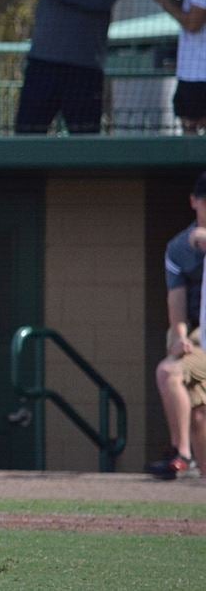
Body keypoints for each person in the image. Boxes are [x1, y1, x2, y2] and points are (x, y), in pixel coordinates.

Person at [0, 0, 126, 134]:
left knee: (85, 138)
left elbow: (100, 0)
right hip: (43, 64)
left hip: (84, 68)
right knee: (27, 134)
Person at [147, 172, 206, 480]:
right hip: (199, 332)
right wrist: (180, 336)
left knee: (169, 373)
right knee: (196, 411)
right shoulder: (181, 247)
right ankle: (187, 457)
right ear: (194, 201)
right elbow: (177, 302)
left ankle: (183, 453)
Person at [148, 0, 206, 135]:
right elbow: (189, 10)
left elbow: (192, 24)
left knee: (190, 134)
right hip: (193, 75)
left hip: (198, 75)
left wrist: (164, 1)